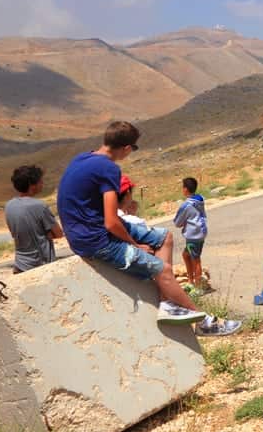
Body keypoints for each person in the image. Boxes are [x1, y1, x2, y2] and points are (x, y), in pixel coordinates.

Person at [56, 121, 239, 335]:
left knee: (164, 237)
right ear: (126, 148)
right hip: (95, 240)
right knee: (161, 269)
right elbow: (111, 221)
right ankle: (204, 323)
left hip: (85, 229)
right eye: (133, 149)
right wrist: (135, 245)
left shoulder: (82, 158)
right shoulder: (109, 168)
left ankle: (167, 304)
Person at [5, 165, 63, 274]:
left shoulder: (9, 206)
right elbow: (59, 233)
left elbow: (15, 234)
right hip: (40, 267)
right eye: (40, 181)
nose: (42, 184)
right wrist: (45, 234)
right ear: (32, 185)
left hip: (19, 266)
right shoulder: (40, 206)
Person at [174, 177, 208, 288]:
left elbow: (177, 223)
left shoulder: (186, 205)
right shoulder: (200, 199)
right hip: (201, 232)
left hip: (193, 235)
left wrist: (183, 223)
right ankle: (190, 280)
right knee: (186, 255)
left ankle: (197, 287)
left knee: (196, 259)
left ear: (185, 189)